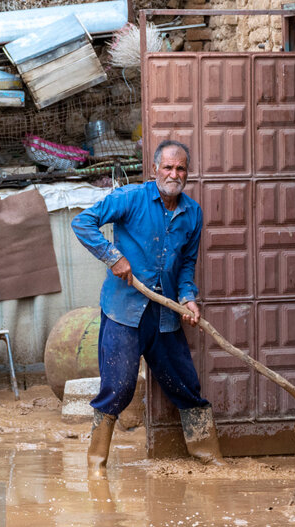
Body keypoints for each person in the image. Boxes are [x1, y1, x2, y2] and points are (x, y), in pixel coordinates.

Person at [71, 140, 225, 472]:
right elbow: (82, 222)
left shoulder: (192, 213)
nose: (174, 174)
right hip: (123, 311)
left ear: (187, 172)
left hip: (165, 315)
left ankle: (208, 456)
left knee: (185, 384)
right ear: (154, 169)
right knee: (118, 388)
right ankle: (96, 465)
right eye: (167, 167)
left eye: (180, 168)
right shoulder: (130, 198)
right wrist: (114, 258)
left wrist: (188, 298)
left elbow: (187, 265)